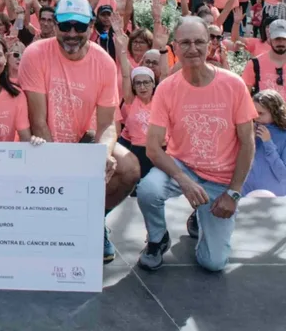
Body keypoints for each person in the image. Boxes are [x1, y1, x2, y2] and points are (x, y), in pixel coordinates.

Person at [18, 0, 141, 264]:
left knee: (128, 167)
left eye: (80, 27)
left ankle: (93, 219)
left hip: (82, 141)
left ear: (91, 26)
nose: (72, 33)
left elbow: (108, 123)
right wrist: (65, 164)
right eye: (65, 26)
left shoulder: (104, 63)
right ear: (55, 25)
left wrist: (103, 154)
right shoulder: (35, 54)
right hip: (40, 143)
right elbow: (38, 120)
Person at [137, 16, 256, 272]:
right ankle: (158, 239)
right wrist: (183, 179)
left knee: (213, 264)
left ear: (210, 45)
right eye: (186, 42)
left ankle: (202, 218)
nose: (193, 49)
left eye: (200, 42)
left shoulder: (233, 85)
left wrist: (233, 193)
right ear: (175, 47)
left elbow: (248, 143)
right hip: (184, 166)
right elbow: (153, 148)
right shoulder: (167, 88)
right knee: (148, 190)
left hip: (221, 179)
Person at [114, 29, 157, 179]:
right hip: (133, 149)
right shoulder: (131, 101)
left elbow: (165, 74)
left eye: (146, 82)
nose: (142, 87)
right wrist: (123, 48)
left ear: (153, 84)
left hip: (156, 151)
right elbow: (126, 74)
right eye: (138, 83)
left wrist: (163, 49)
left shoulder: (159, 100)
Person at [241, 90, 286, 197]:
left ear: (275, 112)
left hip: (275, 199)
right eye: (254, 112)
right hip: (246, 195)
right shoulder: (248, 130)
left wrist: (268, 143)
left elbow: (283, 175)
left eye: (261, 113)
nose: (256, 117)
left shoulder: (283, 135)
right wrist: (249, 140)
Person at [243, 18, 286, 96]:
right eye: (277, 38)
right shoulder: (254, 64)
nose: (281, 42)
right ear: (269, 39)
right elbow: (244, 96)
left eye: (284, 39)